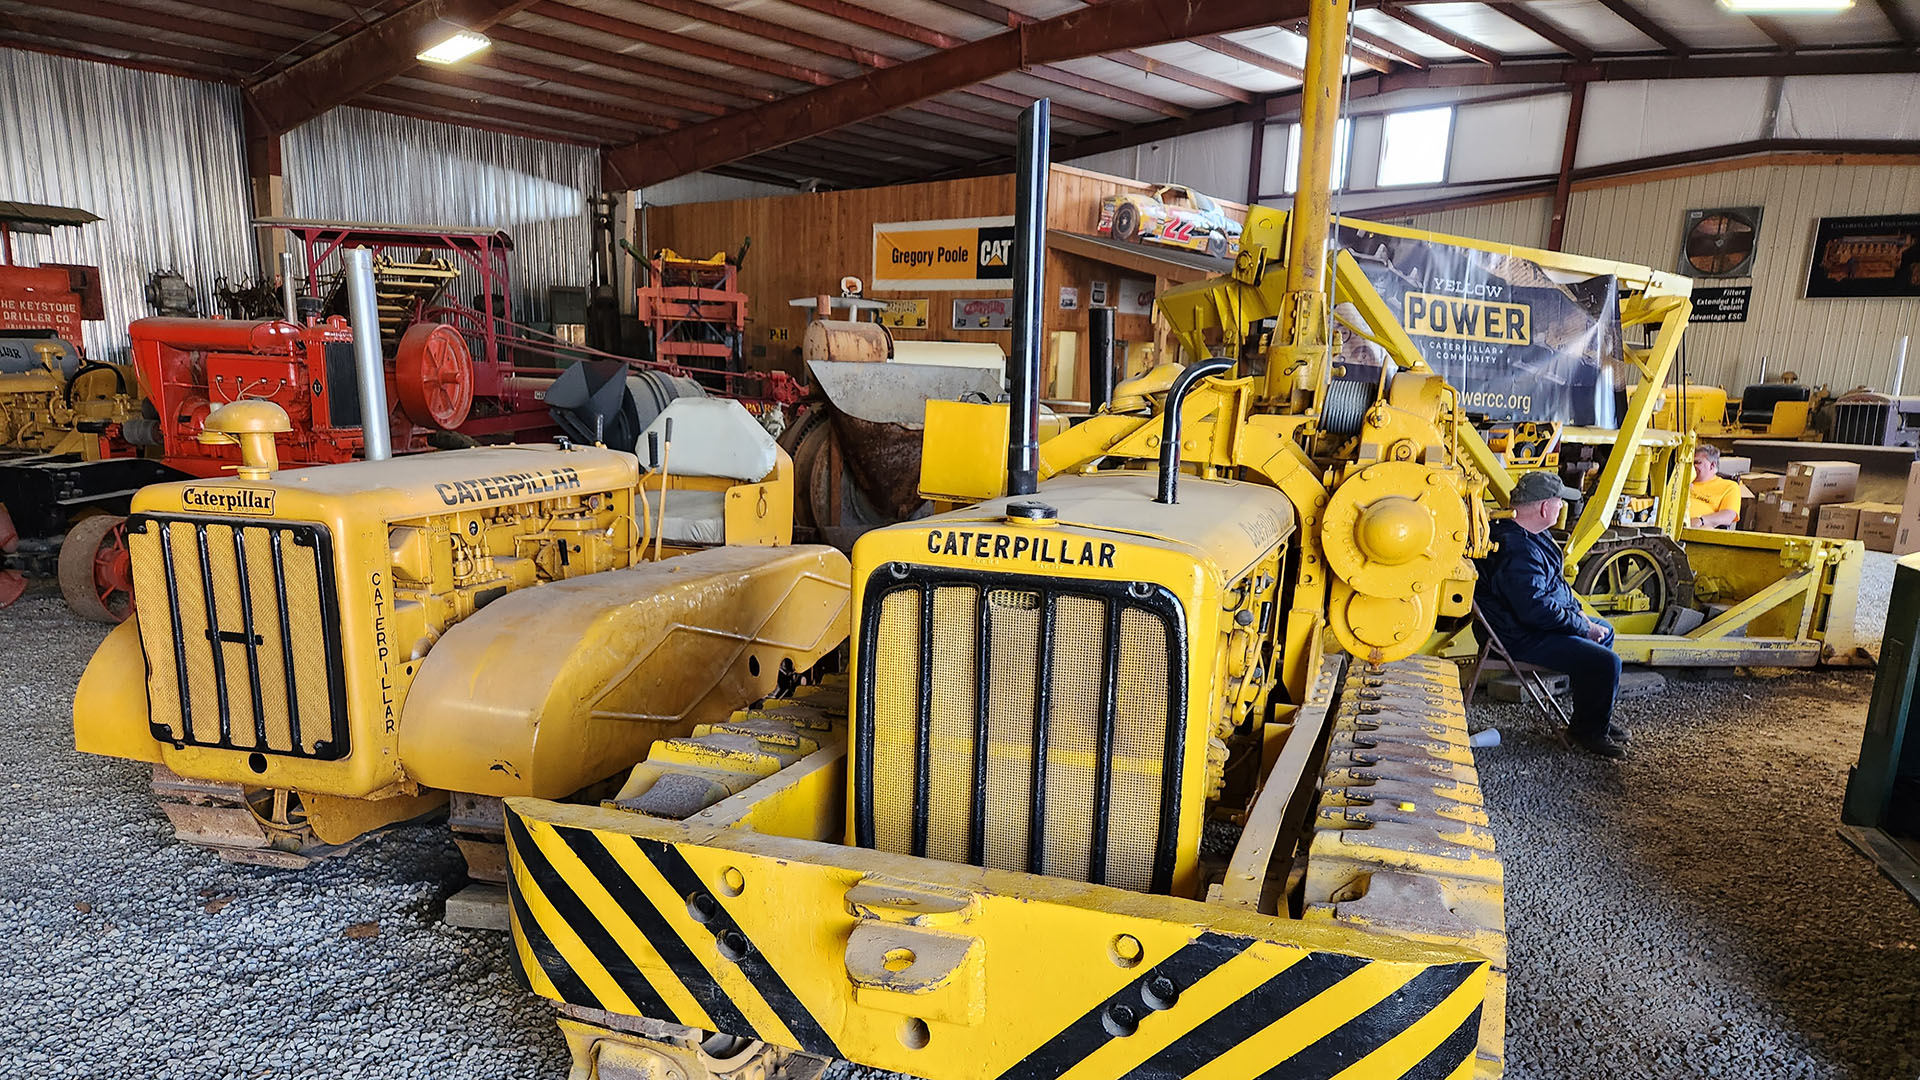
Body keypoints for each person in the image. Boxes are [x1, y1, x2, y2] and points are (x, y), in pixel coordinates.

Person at [1475, 471, 1628, 759]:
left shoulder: (1527, 534)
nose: (1561, 508)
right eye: (1559, 502)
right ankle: (1588, 733)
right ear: (1545, 507)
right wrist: (1581, 627)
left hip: (1527, 625)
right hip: (1517, 635)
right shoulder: (1517, 549)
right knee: (1606, 662)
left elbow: (1553, 588)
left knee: (1603, 630)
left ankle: (1593, 717)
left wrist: (1578, 614)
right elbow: (1535, 609)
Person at [1686, 444, 1741, 529]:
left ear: (1712, 465)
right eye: (1690, 463)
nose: (1692, 467)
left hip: (1698, 529)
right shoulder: (1683, 482)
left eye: (1697, 463)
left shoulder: (1729, 487)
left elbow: (1728, 515)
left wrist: (1701, 520)